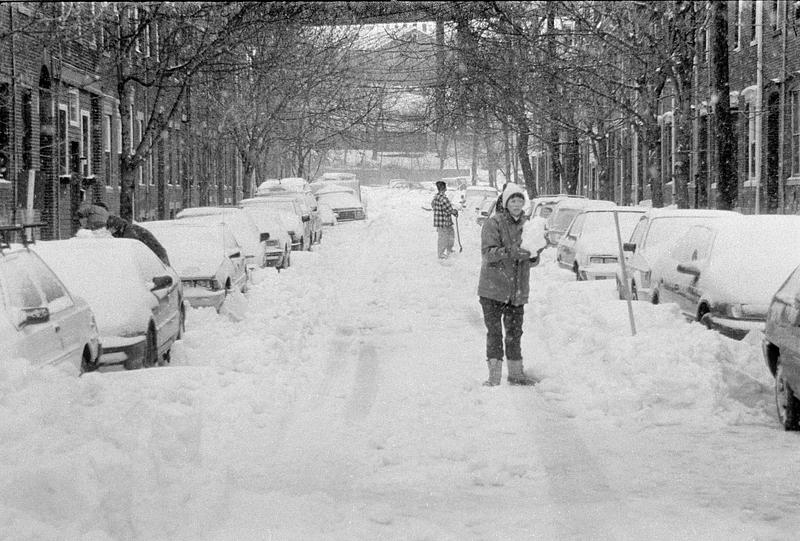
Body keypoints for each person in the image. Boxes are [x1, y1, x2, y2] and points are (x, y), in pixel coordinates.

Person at [477, 183, 537, 386]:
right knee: (495, 333)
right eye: (513, 200)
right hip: (493, 289)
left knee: (514, 334)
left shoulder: (528, 225)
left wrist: (533, 254)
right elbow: (488, 254)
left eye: (520, 200)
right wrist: (509, 252)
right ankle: (494, 377)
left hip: (517, 290)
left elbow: (532, 253)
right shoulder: (493, 223)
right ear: (506, 202)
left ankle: (516, 374)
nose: (517, 204)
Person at [106, 214, 171, 266]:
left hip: (157, 259)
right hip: (153, 257)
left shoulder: (129, 233)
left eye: (111, 229)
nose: (111, 232)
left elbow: (130, 254)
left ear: (117, 227)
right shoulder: (126, 230)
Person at [431, 180, 459, 259]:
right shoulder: (444, 199)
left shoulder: (435, 197)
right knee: (444, 238)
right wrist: (455, 212)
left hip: (440, 222)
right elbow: (450, 210)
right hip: (444, 222)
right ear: (444, 188)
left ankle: (449, 250)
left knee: (450, 235)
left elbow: (432, 205)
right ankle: (441, 254)